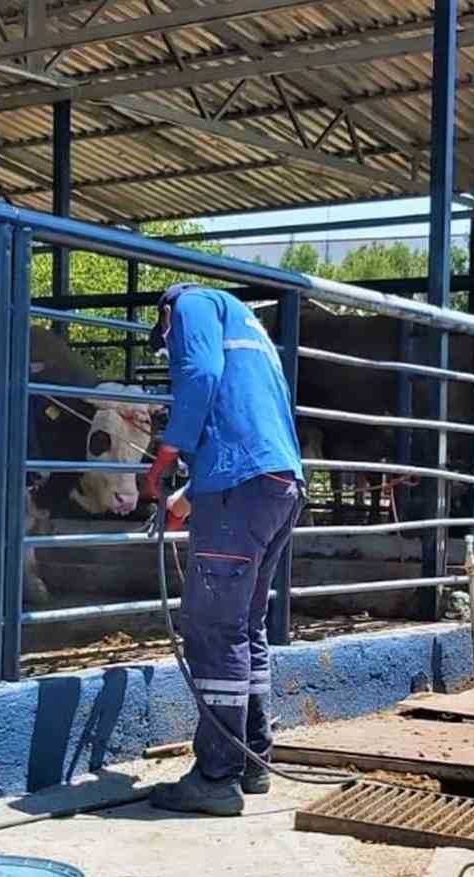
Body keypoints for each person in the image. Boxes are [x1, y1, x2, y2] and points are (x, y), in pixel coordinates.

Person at [141, 283, 306, 817]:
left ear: (165, 315)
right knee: (245, 626)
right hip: (277, 487)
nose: (170, 349)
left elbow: (200, 375)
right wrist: (189, 503)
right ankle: (253, 757)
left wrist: (165, 458)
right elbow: (245, 433)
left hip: (240, 493)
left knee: (212, 630)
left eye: (166, 342)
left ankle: (215, 775)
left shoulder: (190, 305)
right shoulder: (251, 330)